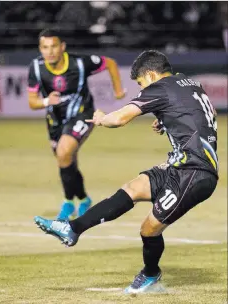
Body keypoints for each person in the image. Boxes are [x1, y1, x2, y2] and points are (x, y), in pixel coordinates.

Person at [34, 50, 218, 293]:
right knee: (134, 187)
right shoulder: (189, 82)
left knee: (149, 229)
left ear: (151, 75)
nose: (141, 88)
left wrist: (100, 118)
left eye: (141, 83)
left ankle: (151, 273)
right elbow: (205, 114)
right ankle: (73, 228)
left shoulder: (159, 87)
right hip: (181, 165)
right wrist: (165, 120)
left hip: (194, 172)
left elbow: (120, 119)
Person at [27, 29, 126, 220]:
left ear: (62, 47)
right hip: (55, 121)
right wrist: (47, 102)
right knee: (66, 161)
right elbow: (32, 102)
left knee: (64, 152)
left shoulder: (80, 63)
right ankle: (83, 199)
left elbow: (110, 63)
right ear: (40, 49)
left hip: (83, 114)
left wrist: (118, 90)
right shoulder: (36, 68)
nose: (50, 51)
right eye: (45, 47)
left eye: (54, 46)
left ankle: (67, 202)